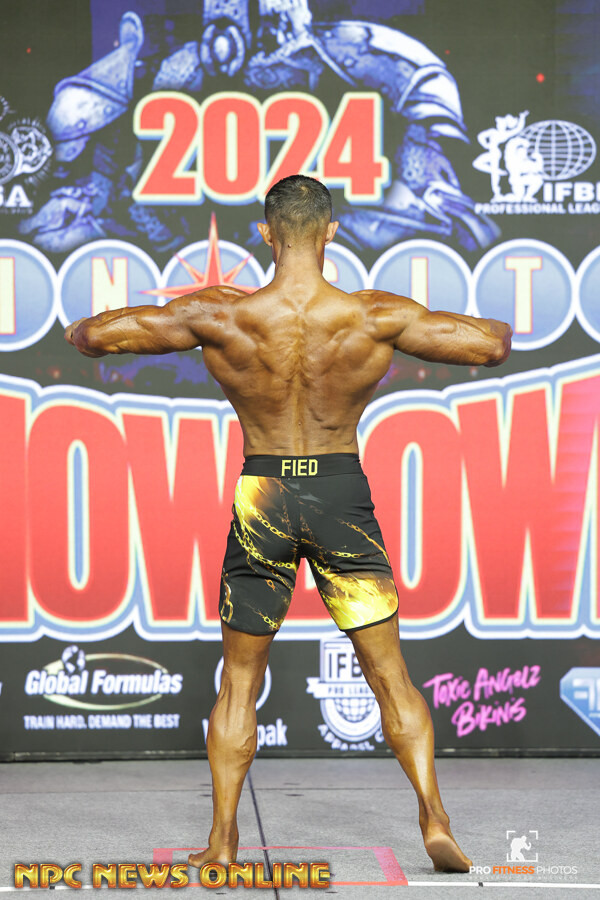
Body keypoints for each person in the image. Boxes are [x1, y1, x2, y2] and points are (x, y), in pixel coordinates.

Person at [65, 174, 512, 874]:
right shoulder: (373, 315)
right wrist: (495, 329)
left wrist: (82, 329)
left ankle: (223, 841)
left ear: (266, 233)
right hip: (340, 496)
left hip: (264, 496)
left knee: (240, 682)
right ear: (330, 231)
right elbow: (491, 346)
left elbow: (95, 336)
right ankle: (434, 815)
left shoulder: (223, 315)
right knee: (389, 674)